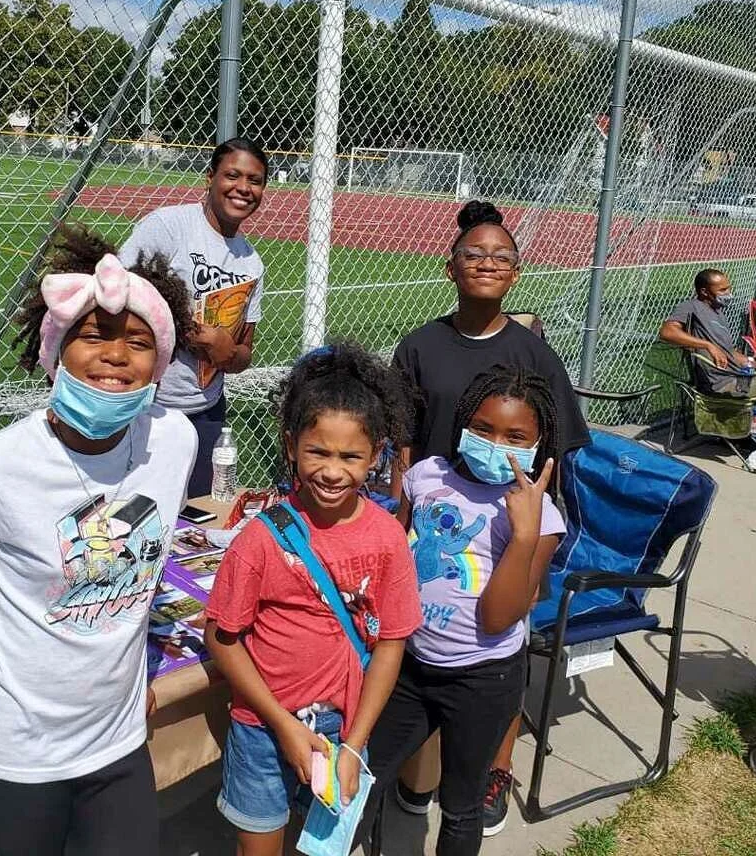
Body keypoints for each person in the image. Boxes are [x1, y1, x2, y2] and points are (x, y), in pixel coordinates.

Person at [0, 226, 197, 856]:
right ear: (53, 352)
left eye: (138, 343)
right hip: (9, 754)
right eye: (94, 335)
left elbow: (133, 583)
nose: (116, 354)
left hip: (115, 746)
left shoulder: (176, 441)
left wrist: (124, 680)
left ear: (159, 364)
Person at [389, 199, 589, 833]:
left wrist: (533, 525)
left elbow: (554, 445)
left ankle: (489, 773)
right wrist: (401, 515)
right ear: (450, 266)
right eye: (473, 254)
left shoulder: (533, 353)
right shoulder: (420, 344)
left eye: (500, 256)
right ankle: (419, 775)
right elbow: (405, 441)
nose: (486, 264)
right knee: (429, 647)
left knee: (499, 651)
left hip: (507, 525)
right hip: (441, 520)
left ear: (516, 272)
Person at [203, 343, 423, 856]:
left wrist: (353, 746)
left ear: (377, 455)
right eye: (318, 452)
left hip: (345, 728)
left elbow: (391, 644)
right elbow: (222, 636)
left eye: (351, 456)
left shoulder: (388, 537)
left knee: (326, 848)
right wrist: (281, 725)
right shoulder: (260, 539)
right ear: (290, 446)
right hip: (262, 728)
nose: (332, 470)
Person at [357, 365, 565, 856]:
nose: (496, 443)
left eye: (515, 436)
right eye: (483, 429)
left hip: (482, 680)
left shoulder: (541, 519)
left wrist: (524, 536)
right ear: (462, 426)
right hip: (407, 663)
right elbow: (397, 551)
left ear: (538, 447)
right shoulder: (427, 476)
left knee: (461, 803)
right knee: (362, 778)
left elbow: (497, 618)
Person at [118, 137, 268, 497]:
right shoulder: (169, 227)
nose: (243, 188)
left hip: (207, 409)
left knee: (197, 512)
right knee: (134, 508)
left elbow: (245, 352)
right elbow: (118, 296)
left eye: (255, 180)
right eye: (233, 175)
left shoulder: (251, 263)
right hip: (147, 405)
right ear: (210, 178)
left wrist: (226, 353)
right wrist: (194, 334)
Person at [659, 268, 756, 398]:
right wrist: (708, 345)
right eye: (722, 290)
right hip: (724, 384)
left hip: (742, 376)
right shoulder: (692, 307)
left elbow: (731, 354)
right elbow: (667, 332)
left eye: (728, 288)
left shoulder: (719, 313)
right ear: (704, 291)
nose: (728, 293)